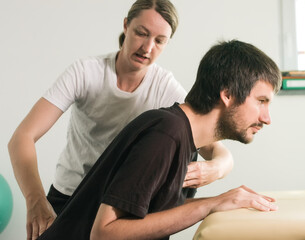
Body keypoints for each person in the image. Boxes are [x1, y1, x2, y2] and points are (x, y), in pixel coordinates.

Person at [7, 1, 233, 239]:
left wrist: (217, 168)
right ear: (126, 25)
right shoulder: (86, 72)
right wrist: (35, 201)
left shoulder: (165, 87)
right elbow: (22, 137)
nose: (147, 47)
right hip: (69, 199)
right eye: (141, 33)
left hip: (119, 208)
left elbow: (220, 152)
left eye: (159, 40)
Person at [37, 39, 282, 240]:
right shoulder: (166, 134)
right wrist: (211, 205)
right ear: (227, 94)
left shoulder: (183, 136)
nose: (267, 118)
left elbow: (150, 218)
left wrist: (222, 200)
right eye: (261, 101)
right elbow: (104, 233)